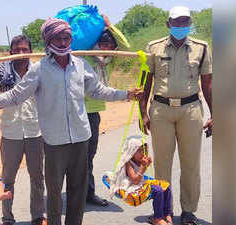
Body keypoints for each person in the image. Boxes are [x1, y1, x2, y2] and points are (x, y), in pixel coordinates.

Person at [0, 18, 143, 225]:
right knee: (55, 192)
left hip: (81, 138)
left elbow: (98, 90)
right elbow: (15, 96)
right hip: (54, 142)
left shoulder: (81, 65)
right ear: (48, 40)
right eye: (57, 38)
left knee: (78, 190)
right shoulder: (39, 70)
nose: (62, 42)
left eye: (66, 37)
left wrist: (126, 94)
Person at [139, 6, 213, 225]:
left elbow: (208, 84)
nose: (181, 26)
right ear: (168, 24)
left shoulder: (202, 48)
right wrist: (143, 113)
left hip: (190, 110)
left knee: (191, 164)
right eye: (177, 22)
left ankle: (189, 211)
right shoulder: (153, 48)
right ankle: (163, 211)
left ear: (189, 23)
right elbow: (145, 82)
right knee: (162, 164)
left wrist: (215, 114)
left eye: (185, 22)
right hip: (161, 110)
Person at [0, 35, 47, 225]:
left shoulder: (40, 71)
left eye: (25, 49)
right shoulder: (1, 74)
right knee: (8, 179)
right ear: (11, 52)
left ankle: (38, 216)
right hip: (11, 133)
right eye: (17, 50)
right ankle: (7, 218)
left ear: (31, 51)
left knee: (37, 177)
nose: (21, 53)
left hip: (35, 132)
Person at [84, 14, 131, 207]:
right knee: (75, 157)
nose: (106, 49)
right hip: (75, 112)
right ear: (96, 44)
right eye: (102, 44)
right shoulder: (84, 56)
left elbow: (126, 47)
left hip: (93, 113)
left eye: (110, 46)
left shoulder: (108, 61)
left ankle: (87, 193)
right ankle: (76, 194)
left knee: (89, 156)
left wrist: (110, 25)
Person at [108, 136, 172, 225]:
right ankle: (157, 218)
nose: (143, 153)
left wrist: (146, 165)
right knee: (158, 190)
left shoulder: (140, 160)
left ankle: (167, 213)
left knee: (166, 186)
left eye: (145, 150)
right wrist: (143, 167)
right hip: (132, 187)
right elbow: (135, 180)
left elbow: (140, 177)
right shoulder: (129, 163)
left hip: (140, 183)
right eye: (139, 150)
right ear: (132, 151)